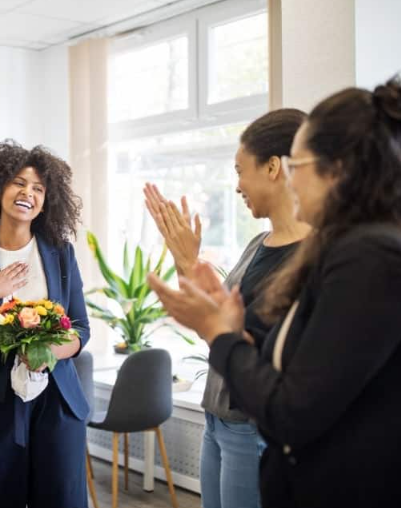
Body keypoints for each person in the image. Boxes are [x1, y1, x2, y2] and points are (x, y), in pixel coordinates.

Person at [147, 77, 401, 507]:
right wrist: (218, 317)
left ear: (334, 169)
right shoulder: (345, 248)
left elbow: (294, 407)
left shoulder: (366, 256)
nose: (293, 182)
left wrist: (221, 332)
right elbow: (291, 352)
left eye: (298, 167)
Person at [143, 108, 310, 508]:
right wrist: (187, 262)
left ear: (272, 167)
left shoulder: (314, 256)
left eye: (240, 170)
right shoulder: (258, 245)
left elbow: (268, 347)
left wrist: (189, 266)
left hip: (253, 426)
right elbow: (219, 327)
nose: (237, 186)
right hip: (218, 415)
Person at [0, 140, 90, 508]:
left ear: (47, 200)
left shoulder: (60, 253)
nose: (28, 193)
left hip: (55, 399)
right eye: (18, 183)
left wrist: (49, 351)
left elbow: (81, 329)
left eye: (38, 188)